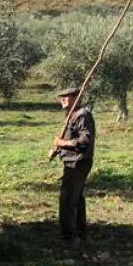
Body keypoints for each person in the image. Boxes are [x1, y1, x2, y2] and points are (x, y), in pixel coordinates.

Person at [50, 86, 96, 246]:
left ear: (78, 98)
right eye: (61, 97)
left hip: (77, 162)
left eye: (68, 96)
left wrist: (62, 143)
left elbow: (84, 141)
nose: (63, 99)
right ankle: (81, 233)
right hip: (73, 161)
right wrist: (58, 148)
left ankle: (69, 237)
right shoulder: (72, 115)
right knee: (76, 198)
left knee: (67, 199)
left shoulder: (82, 115)